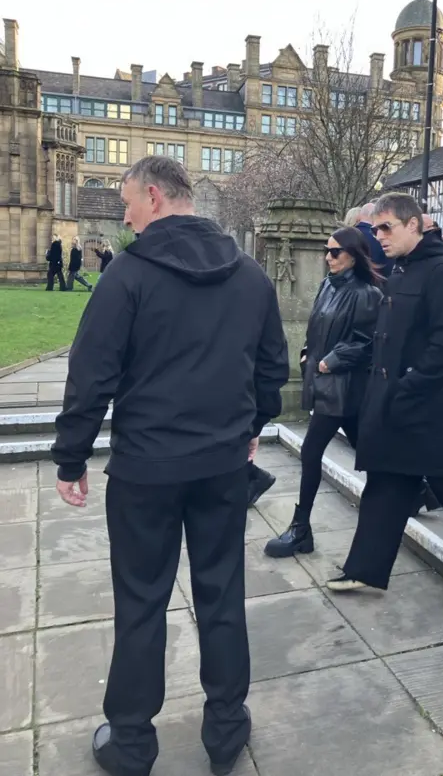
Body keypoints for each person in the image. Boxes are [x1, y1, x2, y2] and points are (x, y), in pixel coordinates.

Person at [51, 157, 289, 776]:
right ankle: (226, 728)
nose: (125, 216)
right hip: (218, 465)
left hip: (147, 470)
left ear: (154, 197)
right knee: (221, 594)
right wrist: (250, 429)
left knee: (141, 600)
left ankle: (131, 741)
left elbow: (91, 374)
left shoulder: (126, 275)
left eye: (129, 203)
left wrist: (71, 456)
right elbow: (271, 370)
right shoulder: (250, 274)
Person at [325, 193, 443, 594]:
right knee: (387, 482)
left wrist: (407, 386)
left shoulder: (441, 270)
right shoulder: (401, 269)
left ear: (413, 225)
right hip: (395, 399)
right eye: (375, 229)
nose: (379, 236)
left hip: (427, 403)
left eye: (386, 227)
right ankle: (364, 568)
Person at [264, 226, 382, 558]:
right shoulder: (328, 285)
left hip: (344, 386)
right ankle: (415, 493)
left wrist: (330, 362)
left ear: (354, 255)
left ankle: (301, 529)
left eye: (335, 252)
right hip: (326, 381)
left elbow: (366, 342)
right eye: (326, 251)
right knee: (369, 450)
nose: (328, 257)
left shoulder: (366, 293)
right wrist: (306, 354)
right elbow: (315, 326)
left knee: (312, 450)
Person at [355, 202, 394, 277]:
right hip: (377, 282)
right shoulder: (382, 238)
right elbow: (389, 266)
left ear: (360, 215)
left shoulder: (347, 235)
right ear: (375, 216)